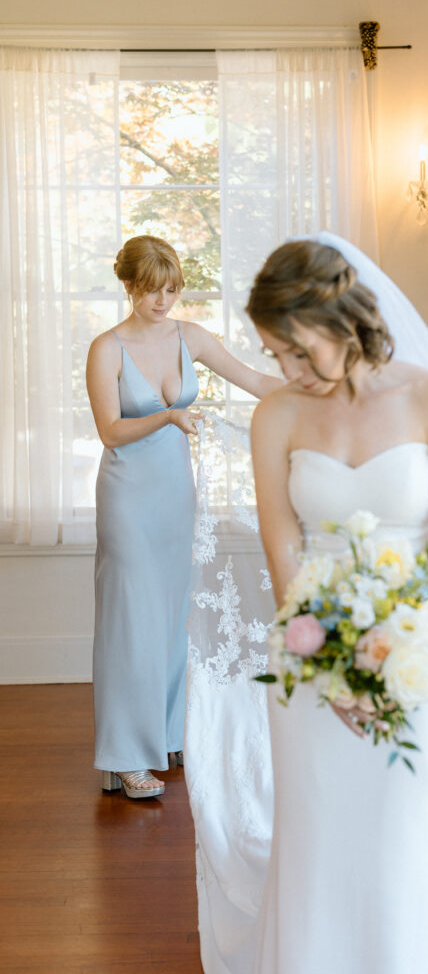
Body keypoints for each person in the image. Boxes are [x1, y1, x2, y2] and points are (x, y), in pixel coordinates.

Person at [183, 234, 428, 974]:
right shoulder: (276, 415)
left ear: (340, 321)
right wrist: (329, 659)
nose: (283, 370)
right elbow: (284, 551)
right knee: (316, 831)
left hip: (416, 647)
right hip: (309, 655)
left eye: (295, 351)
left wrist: (405, 646)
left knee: (393, 830)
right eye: (271, 354)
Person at [86, 234, 279, 800]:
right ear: (129, 287)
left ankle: (167, 735)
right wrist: (170, 416)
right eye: (152, 292)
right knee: (131, 621)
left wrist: (315, 392)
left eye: (172, 290)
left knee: (173, 618)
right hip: (127, 496)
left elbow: (256, 381)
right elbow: (111, 431)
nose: (164, 302)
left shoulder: (188, 336)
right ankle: (124, 756)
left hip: (176, 496)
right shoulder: (106, 348)